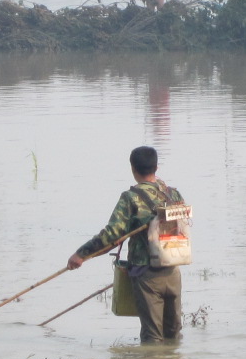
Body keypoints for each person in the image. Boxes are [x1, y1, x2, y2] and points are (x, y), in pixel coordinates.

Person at [68, 146, 185, 342]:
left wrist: (81, 254)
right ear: (156, 167)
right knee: (173, 334)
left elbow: (112, 234)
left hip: (147, 276)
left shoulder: (131, 198)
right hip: (173, 271)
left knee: (152, 338)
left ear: (133, 169)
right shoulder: (173, 195)